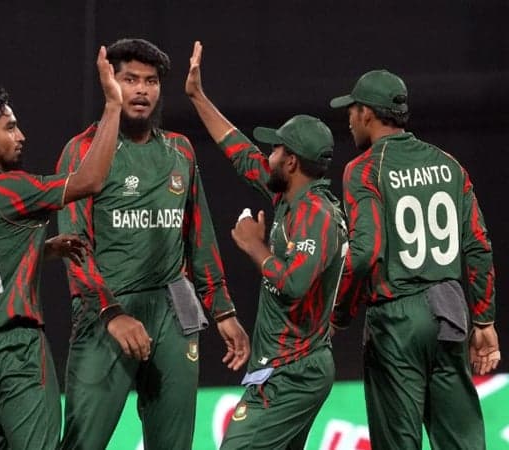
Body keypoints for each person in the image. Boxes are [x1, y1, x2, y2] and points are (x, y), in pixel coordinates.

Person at [56, 38, 250, 450]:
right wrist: (111, 313)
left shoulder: (180, 150)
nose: (142, 90)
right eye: (130, 79)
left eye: (151, 81)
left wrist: (223, 310)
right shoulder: (82, 150)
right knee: (82, 442)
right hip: (107, 313)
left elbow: (199, 237)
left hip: (174, 311)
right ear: (110, 81)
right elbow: (75, 247)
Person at [0, 46, 122, 450]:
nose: (21, 136)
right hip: (15, 349)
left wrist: (45, 249)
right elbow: (90, 179)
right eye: (10, 128)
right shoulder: (8, 189)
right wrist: (112, 105)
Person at [186, 41, 347, 449]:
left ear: (291, 162)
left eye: (275, 149)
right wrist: (197, 97)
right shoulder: (289, 196)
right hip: (285, 367)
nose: (267, 154)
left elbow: (294, 284)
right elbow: (241, 155)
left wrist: (254, 246)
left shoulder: (316, 214)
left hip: (294, 371)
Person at [328, 69, 500, 450]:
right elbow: (478, 245)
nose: (349, 119)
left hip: (396, 318)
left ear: (367, 113)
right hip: (450, 312)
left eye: (352, 110)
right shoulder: (448, 164)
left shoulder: (364, 169)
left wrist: (337, 313)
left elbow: (365, 253)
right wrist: (484, 320)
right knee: (462, 442)